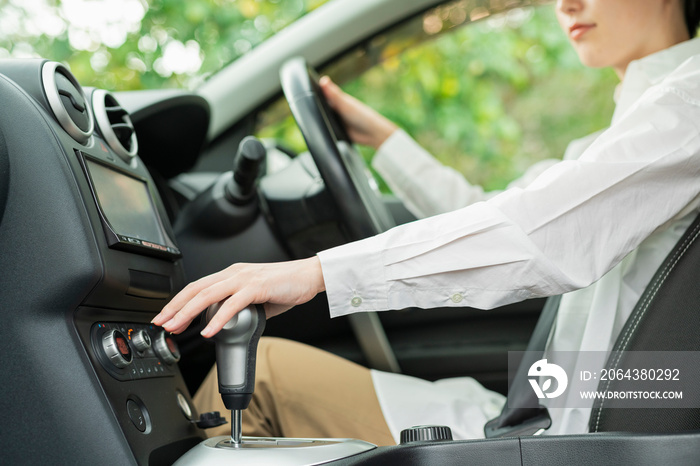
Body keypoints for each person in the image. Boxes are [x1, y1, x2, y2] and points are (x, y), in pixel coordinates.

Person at [153, 0, 700, 444]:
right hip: (564, 409)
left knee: (266, 375)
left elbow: (536, 233)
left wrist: (318, 273)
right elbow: (494, 210)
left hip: (579, 435)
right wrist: (383, 139)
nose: (566, 4)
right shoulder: (628, 124)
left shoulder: (689, 101)